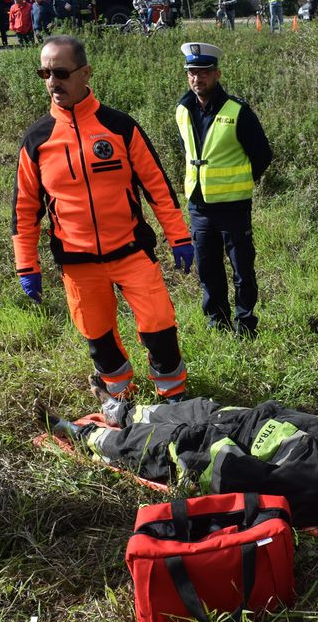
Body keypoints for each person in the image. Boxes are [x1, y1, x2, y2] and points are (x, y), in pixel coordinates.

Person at [13, 36, 195, 400]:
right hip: (78, 263)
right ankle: (118, 400)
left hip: (130, 252)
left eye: (61, 72)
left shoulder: (119, 126)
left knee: (160, 326)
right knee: (98, 338)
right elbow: (25, 210)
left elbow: (157, 187)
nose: (52, 82)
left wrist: (179, 236)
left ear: (85, 73)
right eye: (44, 72)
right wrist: (26, 264)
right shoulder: (37, 139)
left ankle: (172, 399)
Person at [35, 377, 318, 527]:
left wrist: (200, 446)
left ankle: (82, 435)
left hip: (216, 445)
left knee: (154, 443)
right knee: (189, 407)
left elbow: (241, 479)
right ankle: (119, 410)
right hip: (240, 419)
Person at [175, 42, 273, 337]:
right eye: (192, 72)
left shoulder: (238, 111)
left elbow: (262, 154)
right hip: (199, 205)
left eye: (203, 72)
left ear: (216, 74)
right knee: (208, 270)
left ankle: (245, 325)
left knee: (242, 269)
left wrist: (240, 181)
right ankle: (217, 324)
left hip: (233, 206)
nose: (197, 78)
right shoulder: (183, 109)